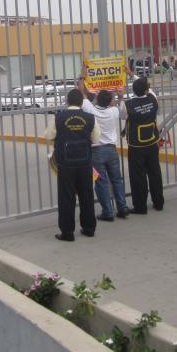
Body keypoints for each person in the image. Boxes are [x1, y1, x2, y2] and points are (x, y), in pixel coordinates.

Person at [44, 88, 100, 241]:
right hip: (85, 162)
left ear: (67, 101)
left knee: (66, 197)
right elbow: (96, 139)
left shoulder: (58, 117)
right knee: (86, 195)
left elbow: (49, 135)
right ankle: (89, 228)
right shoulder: (90, 117)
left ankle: (67, 232)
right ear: (82, 103)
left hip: (66, 163)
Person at [78, 83, 129, 221]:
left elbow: (81, 92)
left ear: (96, 99)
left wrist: (83, 77)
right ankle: (122, 207)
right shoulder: (113, 111)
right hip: (112, 150)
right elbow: (124, 113)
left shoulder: (91, 110)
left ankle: (108, 212)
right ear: (110, 101)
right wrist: (121, 96)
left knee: (101, 182)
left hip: (96, 152)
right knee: (117, 180)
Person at [119, 77, 164, 214]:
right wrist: (133, 74)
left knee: (138, 177)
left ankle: (140, 206)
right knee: (155, 173)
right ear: (146, 89)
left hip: (136, 146)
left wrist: (121, 97)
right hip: (152, 143)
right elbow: (150, 89)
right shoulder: (153, 99)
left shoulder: (127, 105)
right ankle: (158, 203)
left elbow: (122, 116)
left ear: (133, 90)